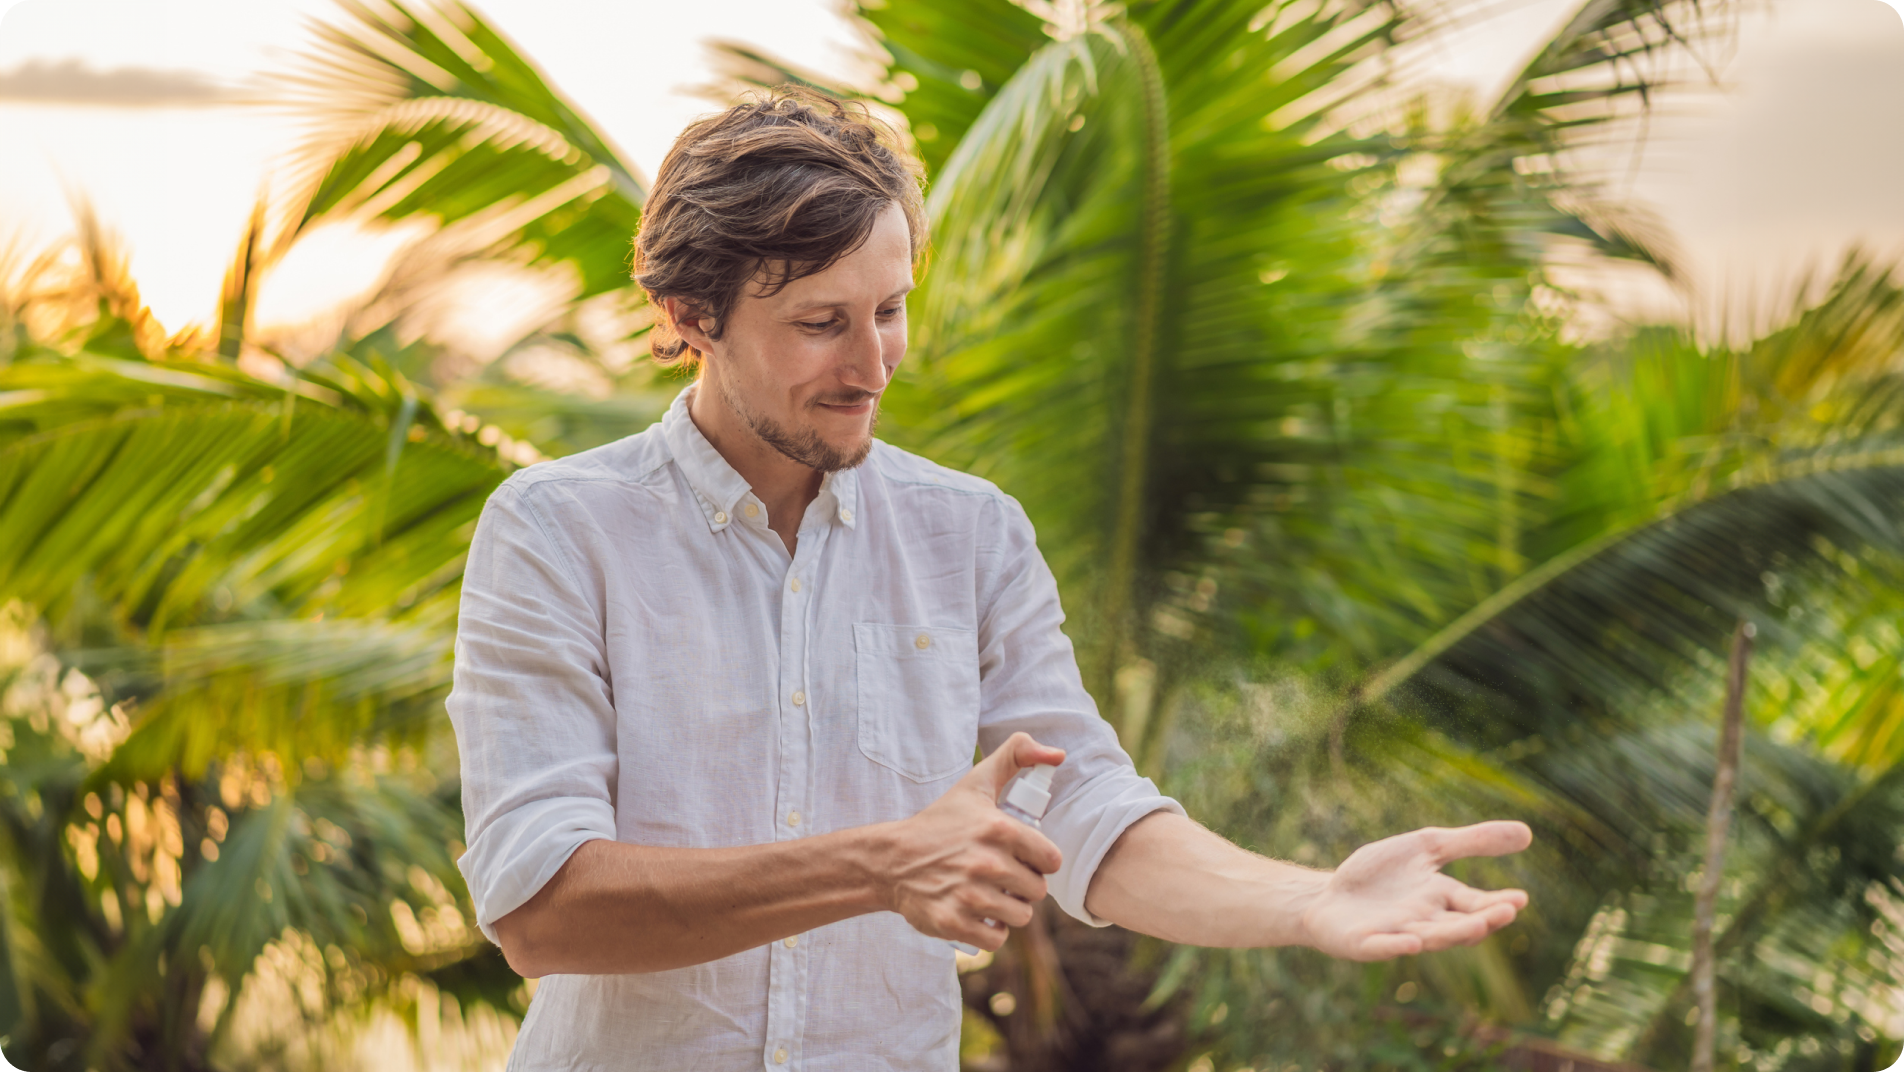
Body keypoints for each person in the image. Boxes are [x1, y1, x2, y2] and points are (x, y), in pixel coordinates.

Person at [447, 88, 1533, 1070]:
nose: (872, 367)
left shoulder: (969, 533)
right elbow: (543, 908)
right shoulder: (556, 530)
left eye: (888, 309)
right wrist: (883, 864)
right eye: (820, 324)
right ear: (690, 316)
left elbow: (1085, 809)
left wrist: (1311, 899)